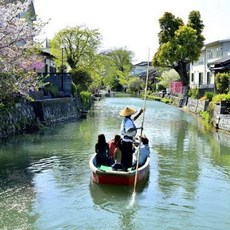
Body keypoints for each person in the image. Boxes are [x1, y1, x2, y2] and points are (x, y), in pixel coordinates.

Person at [119, 107, 143, 171]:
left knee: (125, 156)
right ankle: (125, 169)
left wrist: (140, 113)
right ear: (130, 114)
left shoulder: (126, 119)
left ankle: (124, 168)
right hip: (127, 142)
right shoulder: (128, 122)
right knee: (127, 156)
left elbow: (134, 119)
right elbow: (129, 130)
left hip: (125, 141)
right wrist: (138, 128)